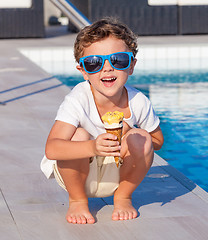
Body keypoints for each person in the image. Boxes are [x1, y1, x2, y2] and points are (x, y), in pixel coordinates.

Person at [40, 18, 164, 224]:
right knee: (78, 135)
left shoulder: (138, 101)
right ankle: (77, 201)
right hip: (77, 178)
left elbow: (157, 142)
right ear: (83, 71)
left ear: (131, 65)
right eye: (94, 63)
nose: (106, 68)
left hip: (117, 178)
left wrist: (129, 133)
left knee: (140, 136)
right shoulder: (78, 99)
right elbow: (52, 149)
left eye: (118, 60)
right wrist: (93, 147)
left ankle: (123, 197)